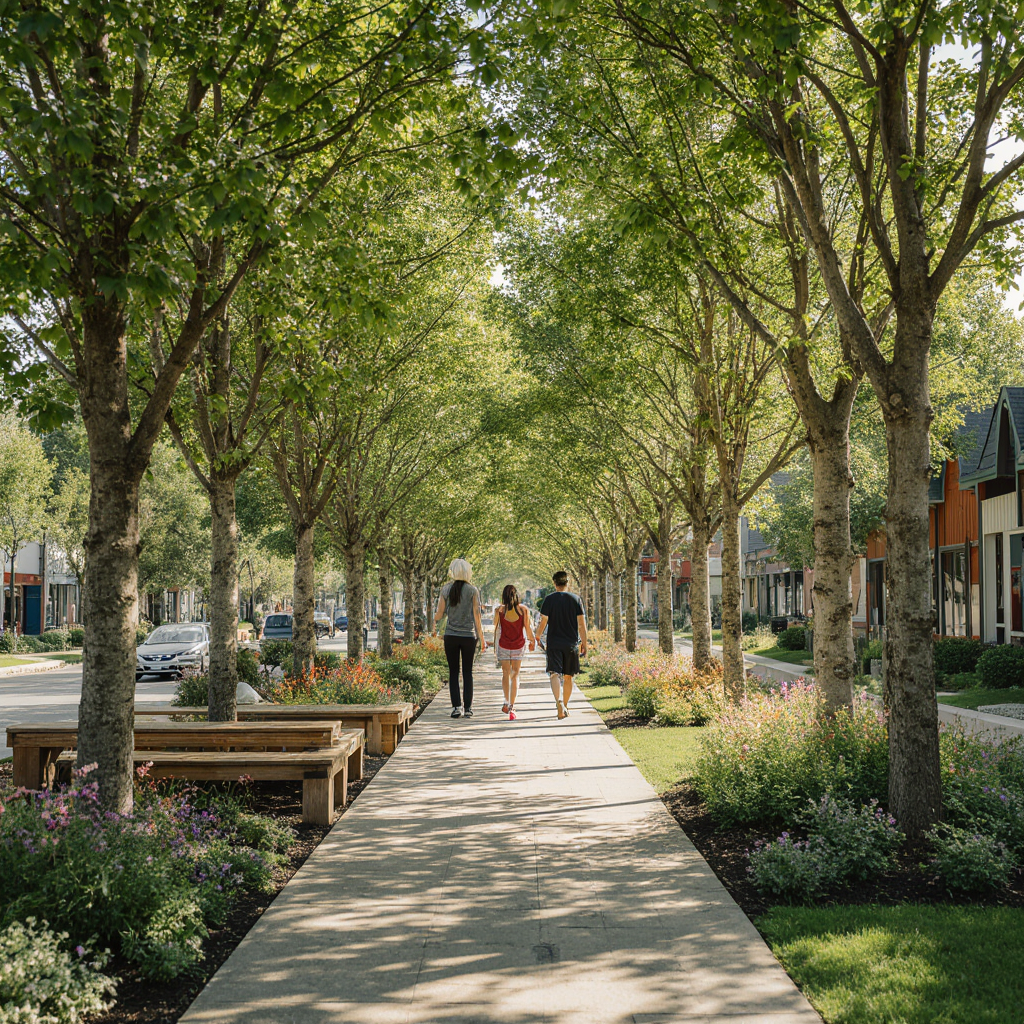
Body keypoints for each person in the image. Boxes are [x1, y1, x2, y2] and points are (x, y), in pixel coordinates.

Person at [433, 558, 487, 718]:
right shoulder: (473, 590)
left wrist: (434, 621)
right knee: (467, 672)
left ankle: (456, 707)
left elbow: (439, 613)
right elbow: (477, 616)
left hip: (451, 635)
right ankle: (468, 708)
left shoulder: (446, 589)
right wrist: (482, 638)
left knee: (453, 672)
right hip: (469, 636)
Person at [535, 570, 588, 719]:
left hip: (554, 643)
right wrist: (585, 643)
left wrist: (537, 636)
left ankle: (558, 701)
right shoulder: (576, 599)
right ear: (567, 583)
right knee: (568, 676)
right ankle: (565, 705)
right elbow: (581, 624)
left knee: (554, 673)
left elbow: (543, 621)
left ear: (554, 583)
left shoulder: (549, 599)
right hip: (571, 644)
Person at [493, 584, 536, 721]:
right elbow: (527, 628)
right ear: (516, 595)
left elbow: (495, 626)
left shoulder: (499, 610)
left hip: (504, 645)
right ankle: (512, 706)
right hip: (518, 645)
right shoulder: (523, 610)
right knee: (515, 674)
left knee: (505, 673)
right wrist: (532, 641)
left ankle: (506, 701)